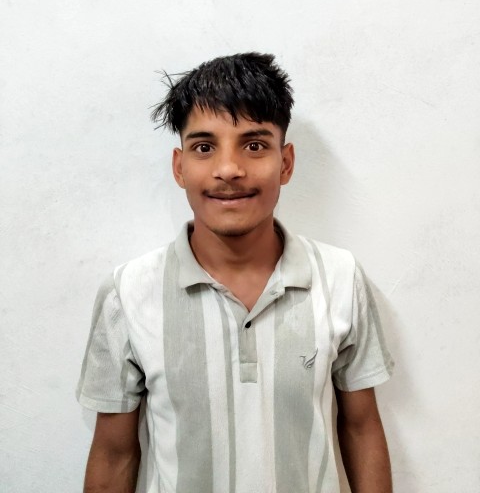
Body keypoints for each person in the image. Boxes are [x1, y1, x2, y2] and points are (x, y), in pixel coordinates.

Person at [77, 52, 394, 493]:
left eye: (255, 145)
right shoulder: (128, 292)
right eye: (204, 147)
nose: (229, 169)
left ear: (286, 163)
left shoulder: (340, 277)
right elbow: (115, 454)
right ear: (179, 166)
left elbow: (361, 429)